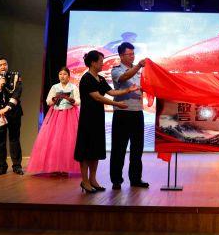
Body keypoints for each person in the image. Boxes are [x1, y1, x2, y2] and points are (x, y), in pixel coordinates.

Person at [74, 50, 137, 194]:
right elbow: (97, 97)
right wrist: (117, 104)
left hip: (98, 118)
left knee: (95, 149)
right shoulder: (86, 78)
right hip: (87, 119)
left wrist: (128, 90)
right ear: (93, 63)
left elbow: (111, 92)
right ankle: (85, 181)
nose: (103, 64)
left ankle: (93, 180)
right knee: (86, 150)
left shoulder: (100, 79)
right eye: (101, 61)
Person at [27, 67, 81, 174]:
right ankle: (53, 167)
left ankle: (65, 168)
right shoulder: (55, 87)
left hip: (69, 115)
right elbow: (48, 101)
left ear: (69, 76)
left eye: (64, 74)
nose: (62, 76)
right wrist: (54, 99)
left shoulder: (73, 87)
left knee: (68, 141)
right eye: (60, 74)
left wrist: (71, 100)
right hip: (56, 115)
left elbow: (78, 101)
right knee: (54, 141)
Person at [110, 42, 148, 190]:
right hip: (122, 113)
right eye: (129, 54)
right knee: (119, 148)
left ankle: (135, 179)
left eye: (133, 53)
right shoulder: (116, 70)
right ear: (121, 55)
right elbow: (125, 77)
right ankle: (116, 180)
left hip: (137, 112)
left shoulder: (139, 71)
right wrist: (138, 66)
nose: (132, 56)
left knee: (137, 148)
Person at [0, 57, 24, 176]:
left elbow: (17, 94)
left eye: (5, 64)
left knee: (14, 139)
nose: (3, 67)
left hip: (13, 112)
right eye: (0, 65)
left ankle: (17, 166)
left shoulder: (15, 76)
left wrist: (7, 108)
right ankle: (2, 167)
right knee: (0, 141)